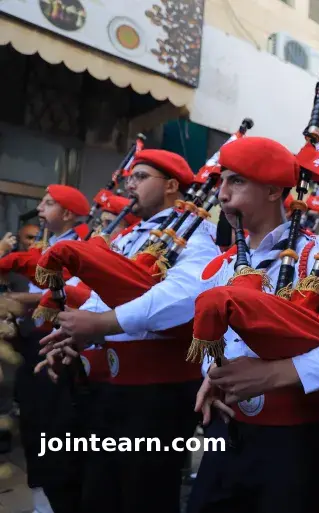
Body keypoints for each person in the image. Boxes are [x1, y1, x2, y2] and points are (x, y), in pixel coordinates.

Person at [39, 150, 218, 513]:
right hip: (113, 387)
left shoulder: (196, 231)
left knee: (143, 494)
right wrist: (76, 331)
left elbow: (184, 296)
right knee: (100, 492)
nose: (130, 184)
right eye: (130, 177)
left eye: (141, 177)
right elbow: (101, 294)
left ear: (171, 186)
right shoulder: (130, 235)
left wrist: (101, 324)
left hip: (158, 391)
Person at [186, 136, 319, 513]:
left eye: (236, 181)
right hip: (226, 432)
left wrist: (277, 373)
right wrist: (213, 372)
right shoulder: (220, 267)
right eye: (221, 182)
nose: (222, 194)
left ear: (275, 190)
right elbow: (209, 344)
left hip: (295, 443)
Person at [6, 185, 89, 513]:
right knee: (32, 423)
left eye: (48, 203)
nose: (40, 207)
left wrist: (19, 300)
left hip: (58, 345)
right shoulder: (48, 244)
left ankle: (56, 500)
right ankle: (43, 496)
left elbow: (69, 290)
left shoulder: (78, 247)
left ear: (68, 214)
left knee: (52, 428)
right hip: (35, 342)